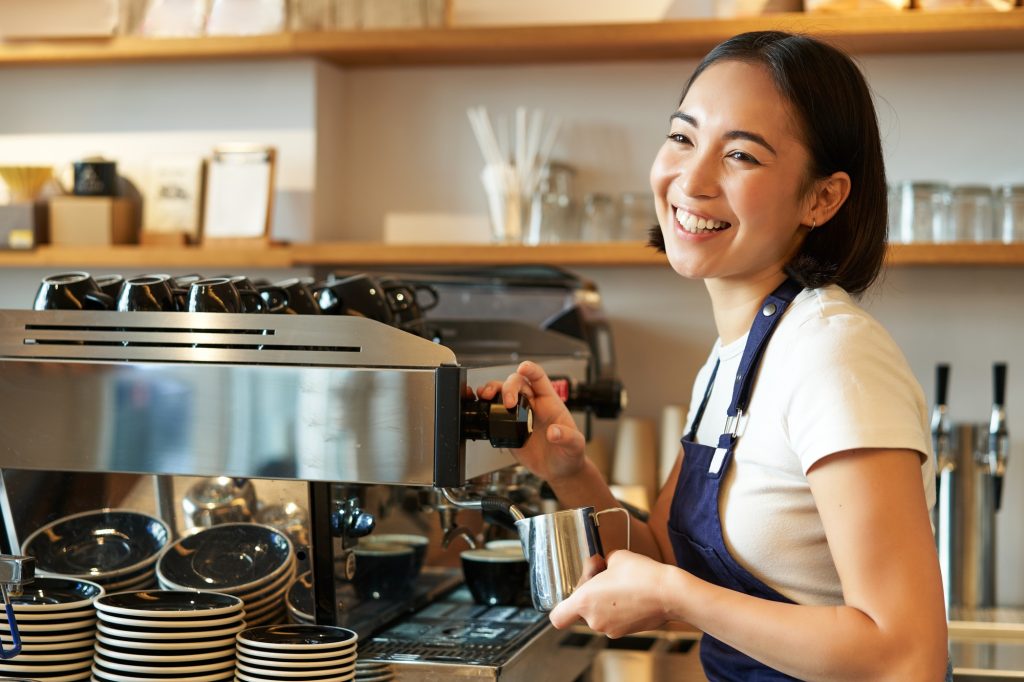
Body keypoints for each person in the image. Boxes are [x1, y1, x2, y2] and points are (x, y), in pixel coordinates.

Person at [478, 31, 949, 681]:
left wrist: (676, 598)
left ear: (823, 198)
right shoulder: (738, 354)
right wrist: (567, 469)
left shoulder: (835, 356)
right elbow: (666, 553)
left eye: (741, 156)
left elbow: (906, 654)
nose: (691, 180)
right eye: (682, 138)